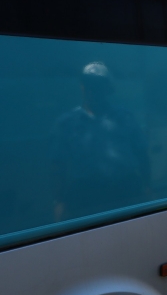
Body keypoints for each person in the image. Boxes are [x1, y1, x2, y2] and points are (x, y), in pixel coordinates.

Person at [50, 62, 151, 221]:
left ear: (107, 88)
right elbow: (59, 165)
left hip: (126, 188)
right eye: (88, 84)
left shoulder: (125, 117)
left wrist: (148, 186)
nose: (93, 89)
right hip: (87, 194)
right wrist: (59, 200)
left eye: (98, 85)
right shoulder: (67, 123)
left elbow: (142, 153)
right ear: (82, 86)